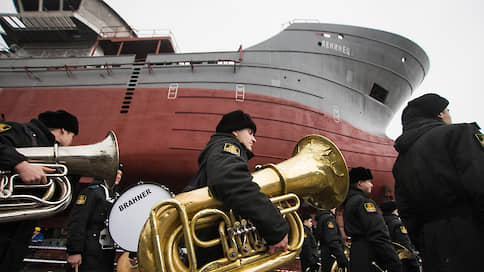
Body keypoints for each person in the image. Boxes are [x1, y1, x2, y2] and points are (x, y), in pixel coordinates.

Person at [392, 93, 484, 272]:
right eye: (447, 110)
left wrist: (426, 243)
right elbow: (479, 183)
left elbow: (407, 213)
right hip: (473, 237)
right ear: (439, 114)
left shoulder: (401, 162)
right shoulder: (459, 134)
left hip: (433, 249)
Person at [191, 109, 289, 266]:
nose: (254, 139)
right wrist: (275, 228)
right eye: (250, 133)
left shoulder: (217, 149)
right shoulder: (227, 147)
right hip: (214, 252)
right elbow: (231, 182)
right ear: (235, 131)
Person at [0, 109, 79, 272]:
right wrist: (20, 165)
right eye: (72, 136)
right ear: (64, 130)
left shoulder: (49, 149)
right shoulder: (18, 131)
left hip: (18, 233)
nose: (72, 141)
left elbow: (55, 198)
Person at [343, 167, 401, 272]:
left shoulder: (349, 202)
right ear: (360, 183)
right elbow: (377, 233)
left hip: (356, 254)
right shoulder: (364, 202)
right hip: (370, 254)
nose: (372, 185)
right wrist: (393, 260)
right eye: (369, 181)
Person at [66, 167, 123, 272]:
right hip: (88, 252)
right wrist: (74, 251)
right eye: (116, 173)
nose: (118, 177)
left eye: (120, 174)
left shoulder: (114, 195)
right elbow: (78, 222)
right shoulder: (91, 192)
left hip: (106, 252)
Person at [380, 201, 419, 272]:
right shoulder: (398, 225)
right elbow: (405, 247)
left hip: (385, 262)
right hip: (402, 263)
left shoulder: (380, 223)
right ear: (396, 210)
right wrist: (415, 265)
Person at [315, 208, 348, 272]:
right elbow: (332, 239)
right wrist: (341, 257)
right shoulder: (329, 218)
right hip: (332, 256)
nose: (335, 208)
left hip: (325, 254)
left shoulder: (321, 218)